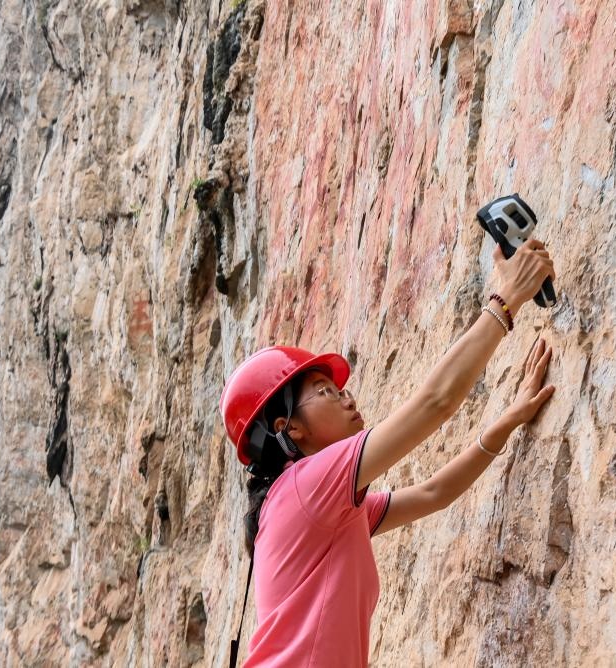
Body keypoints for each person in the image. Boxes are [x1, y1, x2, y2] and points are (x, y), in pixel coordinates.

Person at [220, 238, 557, 667]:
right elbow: (435, 403)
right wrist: (505, 301)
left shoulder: (328, 508)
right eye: (325, 392)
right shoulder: (305, 487)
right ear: (290, 430)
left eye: (341, 388)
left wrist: (505, 422)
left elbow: (434, 493)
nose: (347, 398)